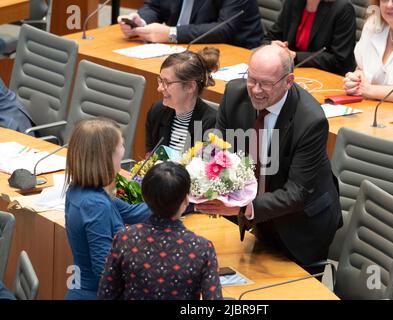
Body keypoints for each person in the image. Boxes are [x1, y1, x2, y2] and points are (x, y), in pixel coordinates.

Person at [196, 44, 342, 270]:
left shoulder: (310, 120)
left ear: (289, 81)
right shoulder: (235, 94)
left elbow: (297, 193)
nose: (255, 90)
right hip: (257, 217)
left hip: (302, 226)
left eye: (265, 83)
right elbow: (218, 148)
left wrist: (243, 208)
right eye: (251, 79)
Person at [98, 161, 223, 300]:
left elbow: (106, 294)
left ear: (144, 196)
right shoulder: (202, 248)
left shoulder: (125, 239)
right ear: (186, 200)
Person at [64, 118, 152, 300]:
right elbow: (105, 269)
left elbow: (133, 213)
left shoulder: (80, 190)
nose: (123, 151)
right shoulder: (96, 205)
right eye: (121, 145)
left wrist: (181, 199)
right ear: (106, 155)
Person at [145, 48, 218, 153]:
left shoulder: (212, 125)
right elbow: (149, 160)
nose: (159, 88)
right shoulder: (157, 112)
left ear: (190, 86)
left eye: (167, 83)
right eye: (160, 80)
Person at [117, 0, 264, 49]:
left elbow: (224, 28)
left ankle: (196, 123)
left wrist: (172, 34)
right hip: (182, 49)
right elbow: (154, 6)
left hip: (233, 53)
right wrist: (139, 23)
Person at [264, 0, 356, 76]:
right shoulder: (292, 2)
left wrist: (295, 56)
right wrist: (272, 45)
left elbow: (339, 60)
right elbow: (269, 38)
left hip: (327, 78)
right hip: (293, 74)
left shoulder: (343, 8)